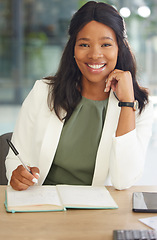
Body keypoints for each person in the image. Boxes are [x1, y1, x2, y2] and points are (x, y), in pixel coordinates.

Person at [5, 1, 153, 191]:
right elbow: (14, 159)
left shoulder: (140, 106)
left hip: (98, 212)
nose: (94, 54)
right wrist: (17, 175)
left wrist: (126, 104)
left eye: (106, 44)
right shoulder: (43, 92)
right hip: (44, 206)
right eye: (84, 44)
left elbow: (123, 180)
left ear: (120, 49)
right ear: (73, 49)